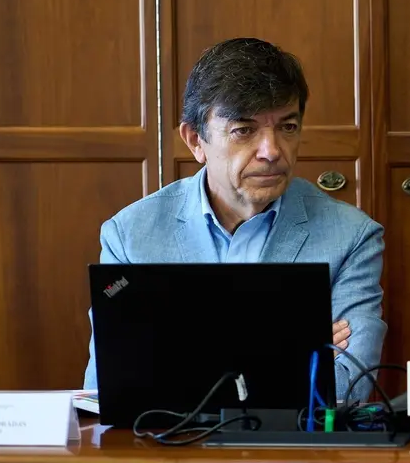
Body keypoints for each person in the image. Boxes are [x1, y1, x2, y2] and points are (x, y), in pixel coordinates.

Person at [83, 38, 386, 403]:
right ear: (196, 140)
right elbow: (109, 387)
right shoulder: (130, 235)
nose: (272, 151)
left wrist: (182, 353)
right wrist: (289, 343)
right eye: (244, 130)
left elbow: (346, 390)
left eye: (287, 127)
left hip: (294, 457)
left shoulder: (352, 237)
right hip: (169, 453)